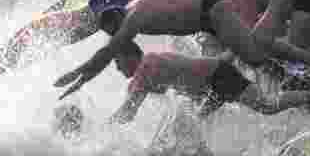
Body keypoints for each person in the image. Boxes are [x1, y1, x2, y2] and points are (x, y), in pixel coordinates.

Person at [54, 0, 310, 100]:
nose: (118, 37)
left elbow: (108, 51)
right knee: (258, 53)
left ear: (115, 21)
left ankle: (278, 3)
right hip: (208, 17)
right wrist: (83, 75)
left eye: (113, 31)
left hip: (212, 13)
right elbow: (109, 51)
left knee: (256, 53)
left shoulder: (133, 17)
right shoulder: (132, 12)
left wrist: (80, 76)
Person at [107, 44, 257, 123]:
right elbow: (129, 110)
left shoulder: (147, 65)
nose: (117, 68)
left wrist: (101, 131)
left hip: (219, 77)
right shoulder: (145, 71)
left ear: (130, 57)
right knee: (190, 123)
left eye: (118, 61)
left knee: (269, 107)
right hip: (211, 87)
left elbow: (127, 112)